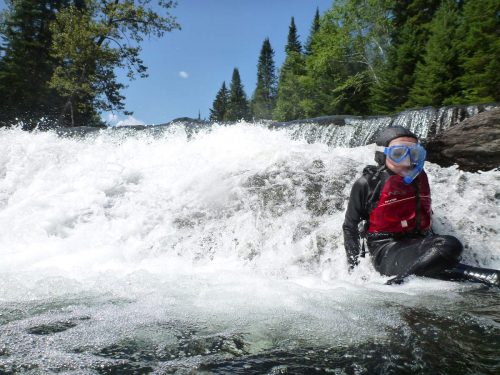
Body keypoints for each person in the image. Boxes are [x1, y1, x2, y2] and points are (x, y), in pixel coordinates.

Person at [343, 125, 500, 286]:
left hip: (420, 247)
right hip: (387, 251)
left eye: (414, 154)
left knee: (491, 277)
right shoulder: (368, 183)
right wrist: (354, 273)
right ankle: (398, 282)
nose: (407, 161)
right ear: (383, 155)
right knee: (450, 245)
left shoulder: (419, 178)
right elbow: (350, 227)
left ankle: (406, 277)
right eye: (398, 154)